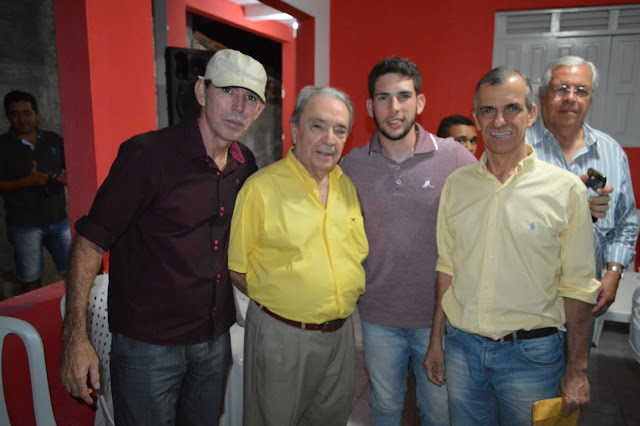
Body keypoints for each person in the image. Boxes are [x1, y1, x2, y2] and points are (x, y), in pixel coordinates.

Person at [60, 49, 267, 425]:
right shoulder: (147, 155)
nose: (238, 107)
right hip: (148, 347)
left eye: (250, 98)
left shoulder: (244, 165)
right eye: (228, 91)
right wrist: (75, 337)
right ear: (202, 91)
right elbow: (90, 242)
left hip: (213, 339)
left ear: (260, 110)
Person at [424, 66, 601, 425]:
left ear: (531, 113)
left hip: (532, 358)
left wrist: (577, 369)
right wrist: (435, 341)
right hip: (462, 351)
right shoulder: (456, 186)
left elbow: (578, 287)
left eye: (512, 109)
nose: (499, 120)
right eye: (488, 110)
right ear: (476, 118)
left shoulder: (566, 190)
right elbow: (447, 269)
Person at [341, 57, 476, 425]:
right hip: (377, 316)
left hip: (438, 317)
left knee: (437, 412)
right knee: (385, 407)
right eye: (383, 98)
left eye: (403, 96)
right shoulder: (352, 166)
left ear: (420, 102)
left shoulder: (453, 156)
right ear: (370, 106)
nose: (394, 107)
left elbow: (497, 189)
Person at [228, 86, 368, 426]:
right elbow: (237, 269)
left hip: (340, 337)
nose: (329, 139)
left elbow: (354, 255)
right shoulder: (261, 189)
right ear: (295, 129)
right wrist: (287, 303)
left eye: (340, 130)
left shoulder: (346, 187)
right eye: (317, 126)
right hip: (283, 338)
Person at [528, 55, 638, 317]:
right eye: (561, 89)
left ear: (590, 98)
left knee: (578, 346)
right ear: (542, 94)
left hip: (585, 294)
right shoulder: (518, 146)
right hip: (525, 294)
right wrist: (565, 207)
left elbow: (626, 223)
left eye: (581, 91)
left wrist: (614, 272)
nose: (571, 98)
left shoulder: (611, 152)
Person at [0, 91, 71, 294]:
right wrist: (26, 182)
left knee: (75, 273)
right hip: (24, 224)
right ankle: (36, 314)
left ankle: (76, 311)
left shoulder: (53, 140)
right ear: (7, 116)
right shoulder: (2, 146)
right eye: (15, 114)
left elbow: (73, 167)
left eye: (27, 113)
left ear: (37, 115)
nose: (22, 119)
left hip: (59, 220)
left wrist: (67, 177)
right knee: (31, 279)